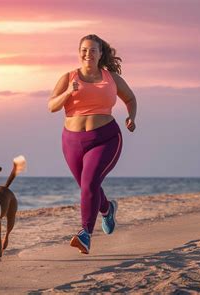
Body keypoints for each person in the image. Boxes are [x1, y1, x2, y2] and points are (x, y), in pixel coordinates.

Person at [47, 34, 137, 254]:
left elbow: (130, 98)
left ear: (100, 54)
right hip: (72, 141)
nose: (88, 54)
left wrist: (131, 118)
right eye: (84, 50)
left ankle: (85, 233)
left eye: (93, 50)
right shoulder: (68, 77)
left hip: (106, 138)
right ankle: (107, 209)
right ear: (79, 53)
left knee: (89, 184)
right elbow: (52, 106)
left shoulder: (111, 78)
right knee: (88, 186)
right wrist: (69, 92)